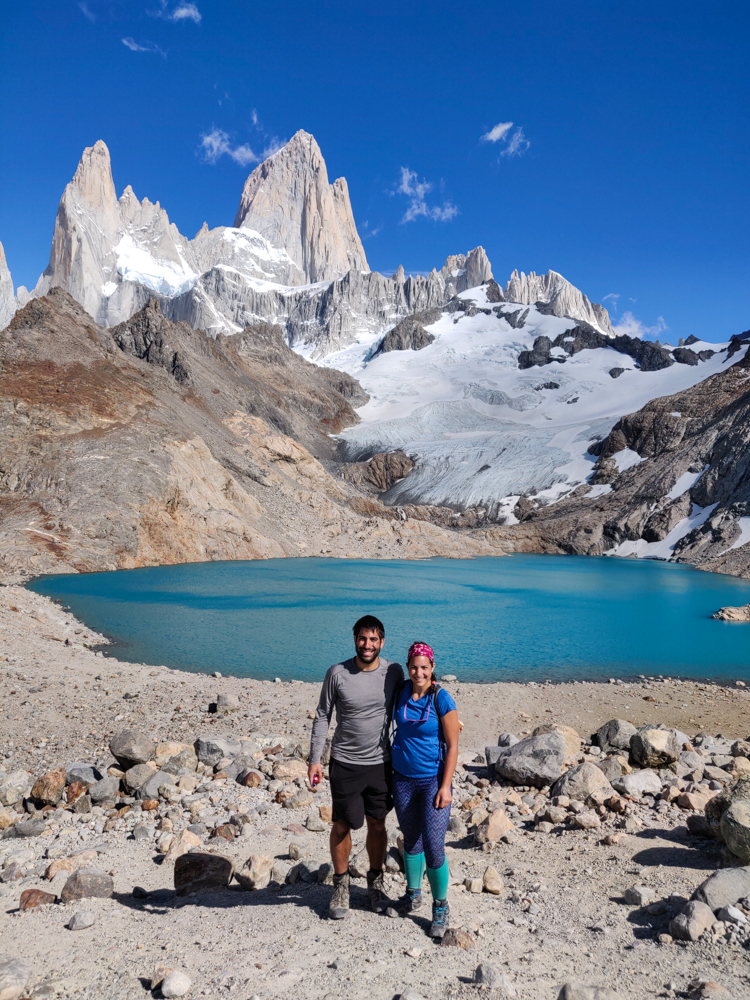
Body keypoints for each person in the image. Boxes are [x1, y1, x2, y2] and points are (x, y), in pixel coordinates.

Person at [308, 614, 404, 920]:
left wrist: (445, 715)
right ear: (354, 640)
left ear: (382, 642)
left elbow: (413, 699)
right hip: (345, 764)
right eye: (362, 638)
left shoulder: (393, 672)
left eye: (373, 639)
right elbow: (323, 715)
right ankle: (340, 886)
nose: (367, 644)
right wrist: (314, 759)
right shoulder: (337, 673)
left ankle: (375, 884)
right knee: (342, 824)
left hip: (380, 763)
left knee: (377, 824)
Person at [390, 641, 459, 939]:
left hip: (432, 780)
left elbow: (454, 745)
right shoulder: (400, 691)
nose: (419, 672)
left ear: (433, 669)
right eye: (414, 667)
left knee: (433, 845)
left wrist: (445, 786)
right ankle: (412, 894)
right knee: (411, 839)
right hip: (402, 779)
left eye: (425, 668)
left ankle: (440, 906)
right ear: (408, 668)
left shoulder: (442, 699)